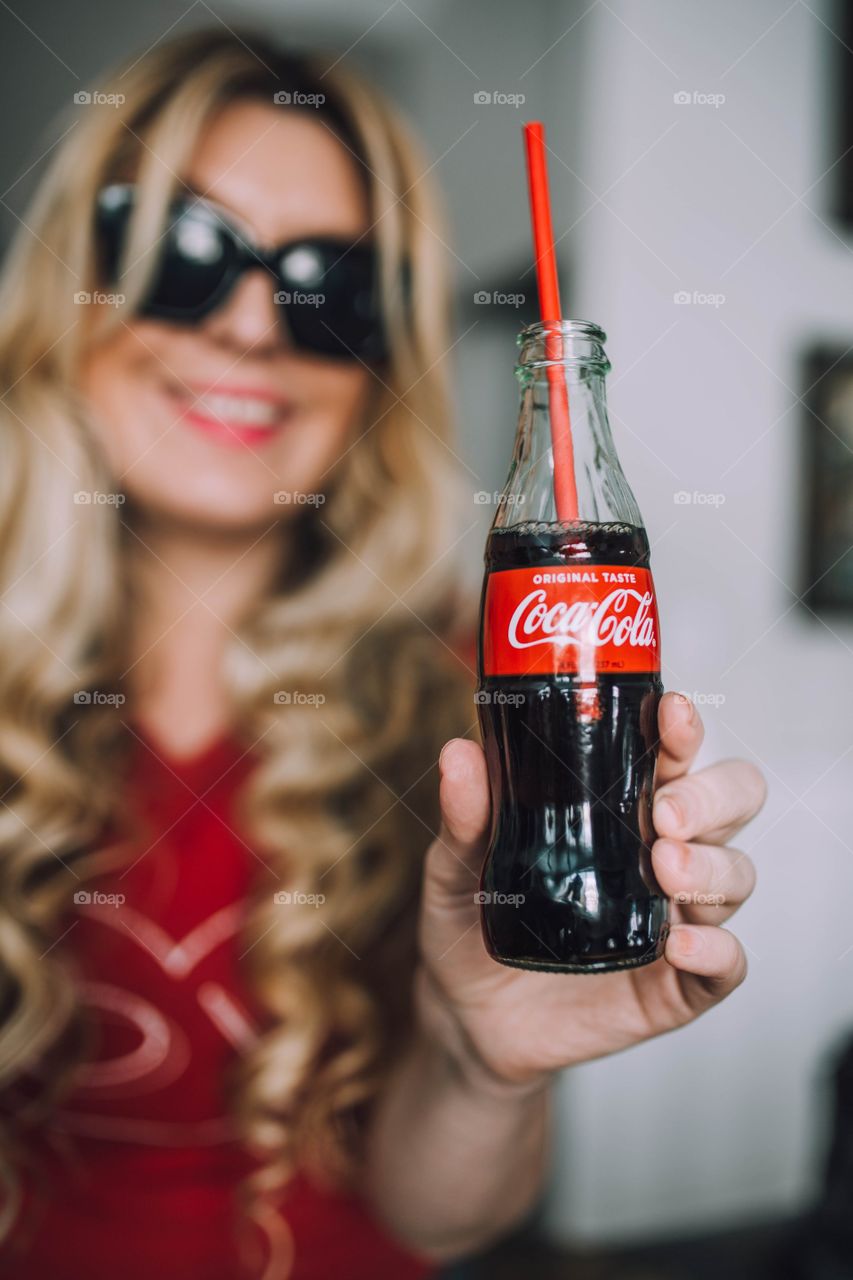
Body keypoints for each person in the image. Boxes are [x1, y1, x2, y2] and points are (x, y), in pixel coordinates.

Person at [0, 27, 767, 1280]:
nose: (253, 325)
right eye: (188, 257)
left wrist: (481, 1061)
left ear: (375, 368)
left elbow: (438, 1216)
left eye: (326, 287)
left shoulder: (456, 705)